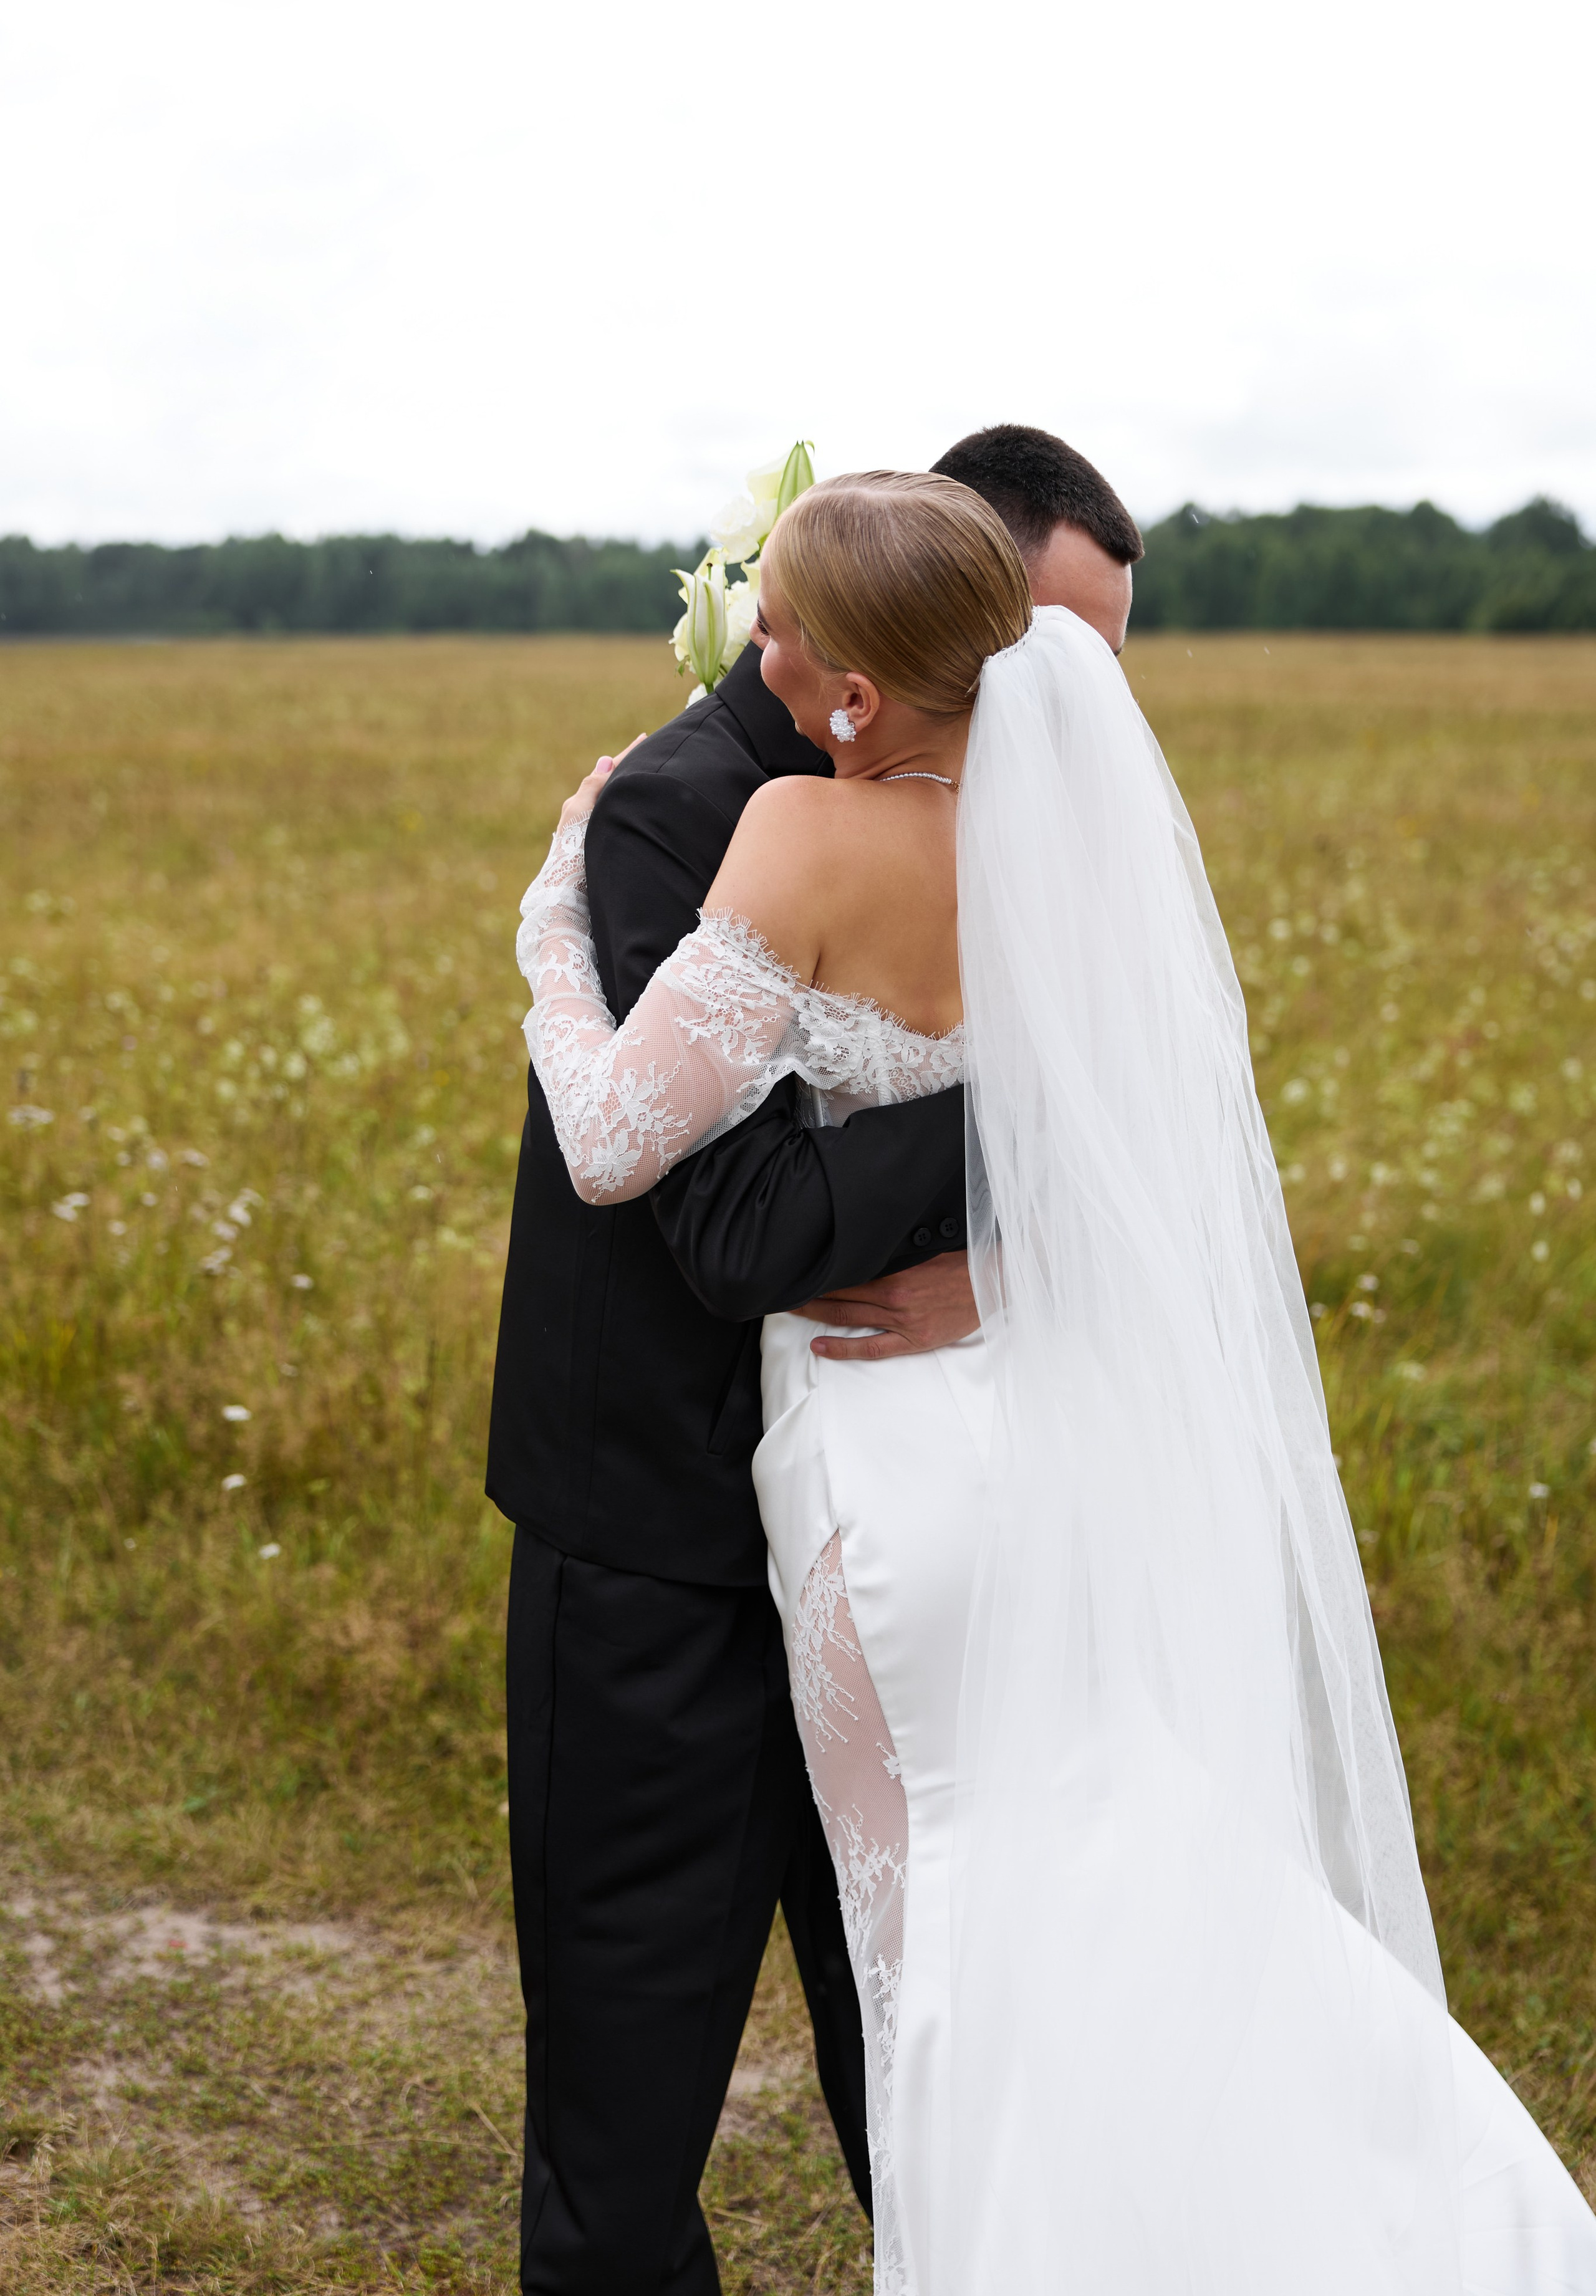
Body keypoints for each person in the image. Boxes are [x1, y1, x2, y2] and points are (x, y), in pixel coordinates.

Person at [519, 471, 1596, 2294]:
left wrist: (550, 932)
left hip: (877, 1460)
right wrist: (1017, 1254)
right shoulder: (1072, 863)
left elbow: (623, 1150)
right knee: (1094, 1859)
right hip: (1032, 1435)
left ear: (860, 689)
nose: (760, 652)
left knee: (939, 1943)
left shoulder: (794, 826)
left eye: (782, 629)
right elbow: (1123, 1137)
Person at [486, 425, 1142, 2293]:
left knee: (940, 2054)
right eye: (1051, 656)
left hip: (919, 1533)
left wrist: (1012, 1243)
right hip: (670, 1548)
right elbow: (732, 1228)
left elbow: (1144, 1129)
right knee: (628, 2098)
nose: (1079, 712)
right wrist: (1025, 1131)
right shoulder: (687, 809)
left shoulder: (1027, 833)